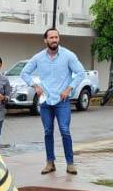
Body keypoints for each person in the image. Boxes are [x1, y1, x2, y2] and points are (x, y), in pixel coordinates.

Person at [21, 28, 85, 175]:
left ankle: (70, 164)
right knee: (48, 131)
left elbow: (81, 73)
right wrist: (35, 85)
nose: (54, 40)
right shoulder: (38, 58)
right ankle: (50, 163)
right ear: (45, 40)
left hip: (62, 100)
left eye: (56, 37)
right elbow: (24, 73)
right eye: (51, 37)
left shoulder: (68, 56)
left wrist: (69, 88)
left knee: (65, 130)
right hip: (45, 101)